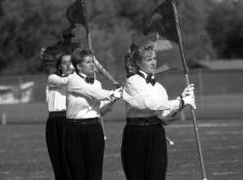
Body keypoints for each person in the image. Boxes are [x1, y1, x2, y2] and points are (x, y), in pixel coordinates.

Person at [121, 41, 196, 180]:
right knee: (137, 175)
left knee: (157, 175)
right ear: (138, 62)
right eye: (149, 59)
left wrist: (182, 104)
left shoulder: (159, 87)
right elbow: (151, 104)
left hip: (156, 133)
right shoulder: (133, 81)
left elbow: (165, 118)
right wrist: (179, 101)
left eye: (154, 58)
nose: (153, 62)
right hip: (136, 133)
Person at [65, 48, 122, 180]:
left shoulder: (97, 83)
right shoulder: (72, 80)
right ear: (79, 66)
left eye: (93, 61)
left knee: (95, 173)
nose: (92, 64)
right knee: (77, 173)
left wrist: (114, 99)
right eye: (88, 62)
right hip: (75, 130)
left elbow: (99, 109)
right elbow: (94, 94)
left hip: (94, 129)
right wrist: (113, 94)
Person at [44, 51, 74, 180]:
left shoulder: (79, 81)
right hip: (54, 120)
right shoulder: (53, 78)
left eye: (70, 62)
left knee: (70, 160)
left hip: (70, 119)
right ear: (60, 66)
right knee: (57, 159)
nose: (68, 65)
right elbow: (67, 81)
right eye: (64, 62)